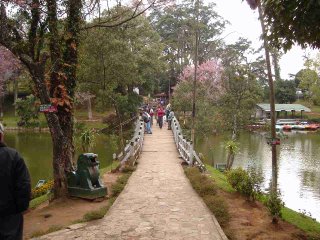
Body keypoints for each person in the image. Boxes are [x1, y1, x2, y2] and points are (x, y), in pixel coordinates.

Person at [0, 123, 31, 240]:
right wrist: (22, 208)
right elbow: (24, 186)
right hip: (11, 216)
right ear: (1, 136)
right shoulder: (13, 156)